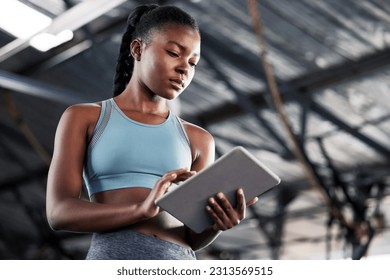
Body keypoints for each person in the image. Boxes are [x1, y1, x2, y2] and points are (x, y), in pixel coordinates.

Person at [46, 4, 257, 260]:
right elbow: (59, 213)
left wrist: (216, 224)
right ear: (137, 49)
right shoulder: (85, 117)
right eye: (173, 53)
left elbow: (192, 237)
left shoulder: (199, 139)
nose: (184, 69)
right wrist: (141, 210)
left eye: (193, 62)